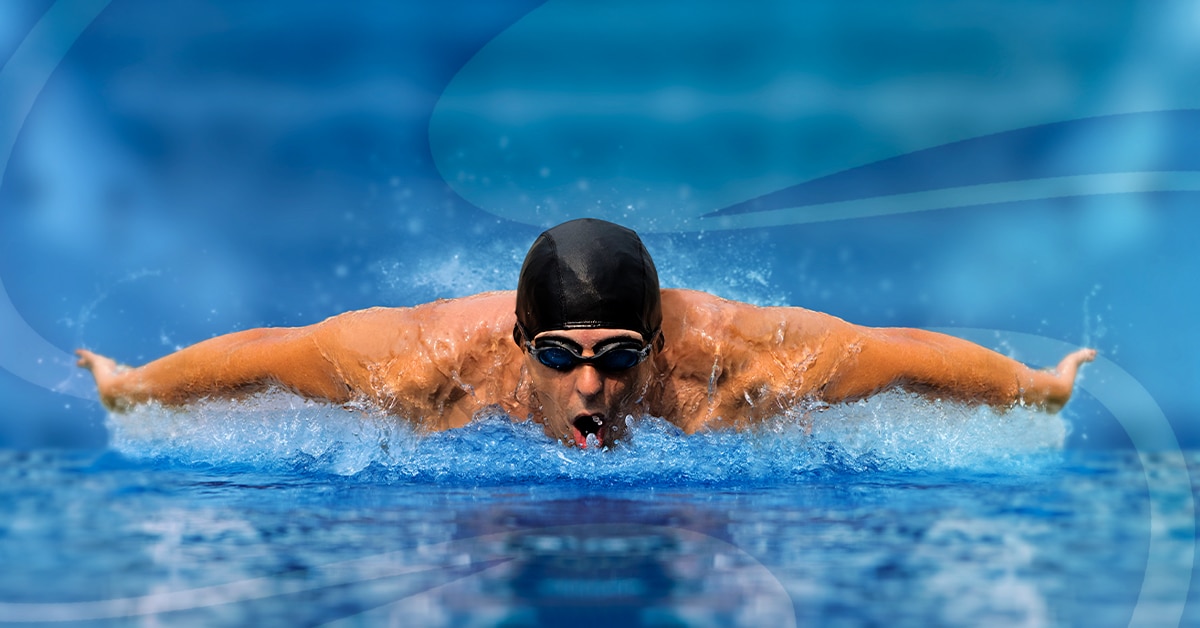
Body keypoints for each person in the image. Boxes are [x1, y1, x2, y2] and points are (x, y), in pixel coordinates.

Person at [77, 218, 1095, 448]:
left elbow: (900, 352)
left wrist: (1035, 387)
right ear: (523, 344)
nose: (595, 388)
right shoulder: (426, 363)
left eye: (619, 358)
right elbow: (267, 351)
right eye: (562, 357)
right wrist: (135, 385)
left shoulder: (731, 367)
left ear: (655, 346)